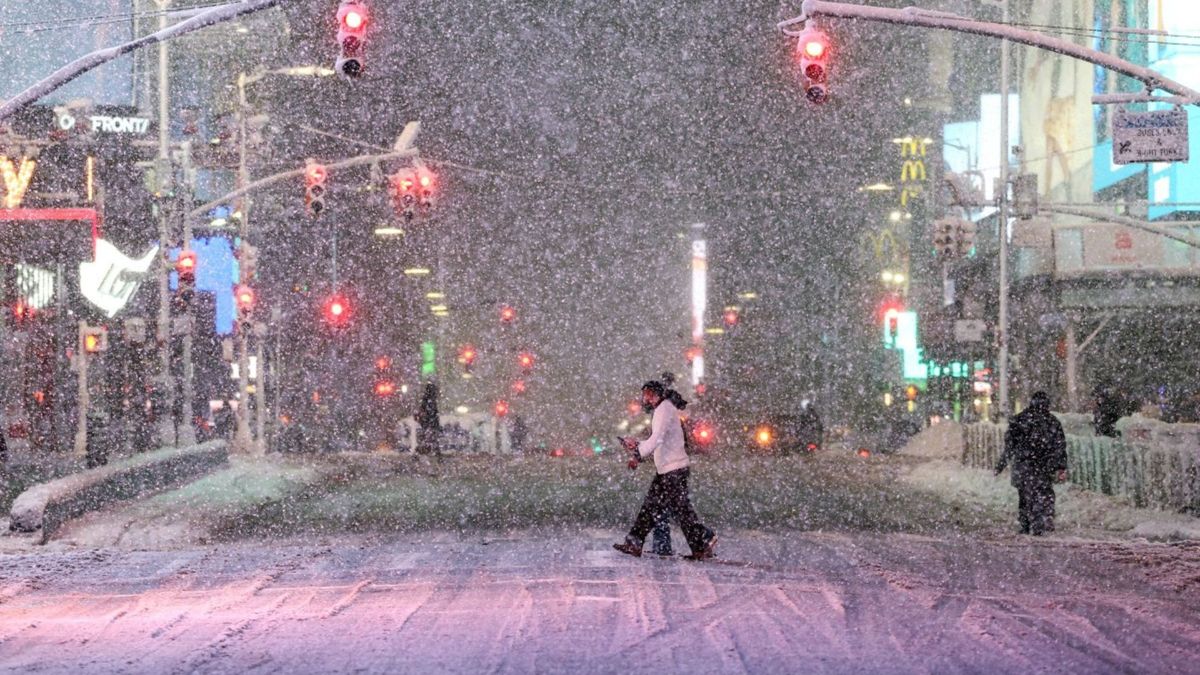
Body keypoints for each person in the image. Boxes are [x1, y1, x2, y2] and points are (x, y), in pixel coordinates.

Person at [614, 381, 717, 560]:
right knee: (657, 507)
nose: (645, 398)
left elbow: (657, 439)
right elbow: (658, 439)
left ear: (656, 394)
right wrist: (637, 445)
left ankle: (704, 539)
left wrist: (637, 454)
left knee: (676, 510)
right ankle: (699, 544)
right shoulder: (664, 408)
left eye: (648, 394)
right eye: (644, 395)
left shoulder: (664, 409)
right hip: (669, 470)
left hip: (673, 470)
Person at [995, 391, 1068, 536]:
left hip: (1023, 465)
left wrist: (1001, 464)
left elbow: (1010, 446)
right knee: (1044, 493)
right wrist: (1060, 466)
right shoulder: (1052, 422)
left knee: (1025, 496)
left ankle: (1026, 525)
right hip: (1043, 466)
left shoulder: (1019, 420)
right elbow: (1059, 446)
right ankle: (1041, 523)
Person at [415, 381, 442, 457]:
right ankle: (436, 453)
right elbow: (432, 412)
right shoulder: (431, 400)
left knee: (428, 439)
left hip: (427, 423)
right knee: (432, 439)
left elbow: (425, 410)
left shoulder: (426, 399)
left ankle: (420, 452)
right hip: (430, 423)